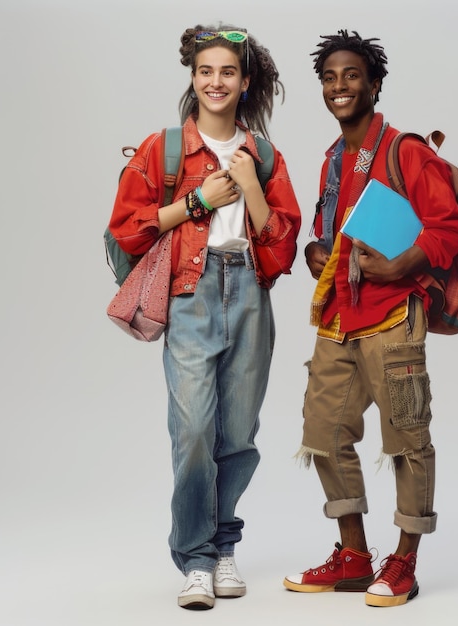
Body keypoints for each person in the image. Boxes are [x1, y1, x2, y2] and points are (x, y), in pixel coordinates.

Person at [109, 24, 301, 610]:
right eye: (205, 71)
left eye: (227, 72)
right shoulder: (163, 149)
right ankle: (194, 559)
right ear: (193, 78)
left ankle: (223, 547)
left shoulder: (262, 154)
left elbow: (282, 250)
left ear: (245, 82)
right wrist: (198, 202)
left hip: (248, 293)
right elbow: (126, 227)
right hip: (190, 293)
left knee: (238, 435)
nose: (215, 81)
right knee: (193, 430)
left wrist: (251, 188)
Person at [283, 30, 458, 607]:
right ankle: (354, 556)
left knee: (407, 437)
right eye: (330, 78)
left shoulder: (404, 150)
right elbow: (336, 235)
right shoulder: (334, 159)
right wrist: (318, 252)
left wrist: (398, 267)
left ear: (375, 84)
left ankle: (405, 562)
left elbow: (450, 228)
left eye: (352, 75)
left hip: (392, 316)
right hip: (339, 317)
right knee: (323, 433)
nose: (339, 86)